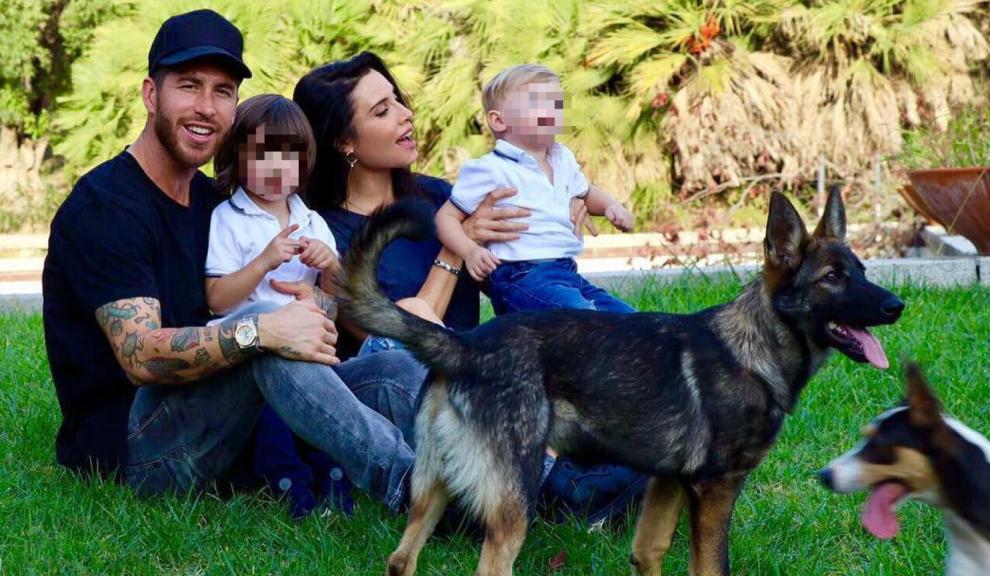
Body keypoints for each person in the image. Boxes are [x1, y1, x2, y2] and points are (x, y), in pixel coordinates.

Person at [42, 9, 423, 517]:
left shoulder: (218, 203)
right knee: (262, 330)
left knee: (395, 369)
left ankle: (536, 475)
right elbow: (139, 356)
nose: (206, 107)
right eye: (189, 86)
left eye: (222, 91)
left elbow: (308, 303)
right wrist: (263, 331)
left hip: (241, 414)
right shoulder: (105, 206)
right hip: (142, 450)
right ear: (151, 94)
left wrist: (318, 305)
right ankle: (411, 488)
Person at [294, 52, 647, 525]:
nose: (405, 115)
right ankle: (560, 487)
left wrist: (561, 213)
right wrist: (459, 245)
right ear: (343, 142)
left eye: (398, 100)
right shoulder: (322, 230)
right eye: (382, 111)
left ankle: (609, 464)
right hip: (403, 393)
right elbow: (392, 330)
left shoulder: (442, 197)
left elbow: (520, 278)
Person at [204, 93, 351, 519]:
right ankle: (293, 492)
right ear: (238, 156)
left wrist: (330, 266)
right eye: (261, 155)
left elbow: (336, 298)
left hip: (308, 352)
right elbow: (217, 298)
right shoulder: (228, 218)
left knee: (322, 420)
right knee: (274, 427)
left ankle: (337, 491)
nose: (275, 168)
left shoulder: (313, 221)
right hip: (252, 355)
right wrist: (265, 259)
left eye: (288, 157)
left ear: (304, 162)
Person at [435, 63, 636, 315]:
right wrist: (469, 250)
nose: (551, 111)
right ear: (498, 120)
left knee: (631, 322)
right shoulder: (491, 169)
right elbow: (446, 217)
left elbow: (585, 192)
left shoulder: (562, 158)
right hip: (520, 276)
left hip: (566, 272)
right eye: (537, 104)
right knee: (584, 319)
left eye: (557, 103)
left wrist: (611, 206)